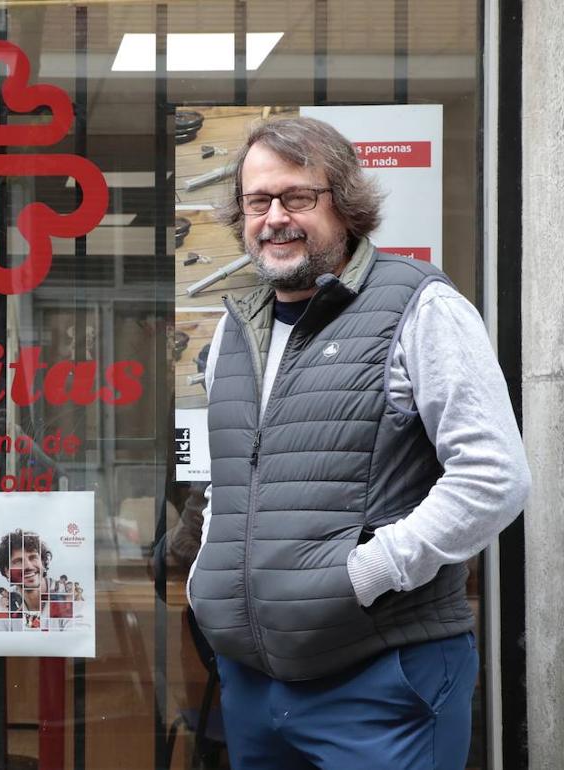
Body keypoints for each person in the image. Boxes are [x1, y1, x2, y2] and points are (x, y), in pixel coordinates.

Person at [186, 116, 530, 769]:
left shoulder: (418, 306)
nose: (274, 218)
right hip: (254, 687)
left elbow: (494, 476)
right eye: (258, 202)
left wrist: (369, 573)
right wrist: (208, 578)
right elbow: (231, 484)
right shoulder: (233, 332)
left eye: (297, 198)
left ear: (344, 205)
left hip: (379, 679)